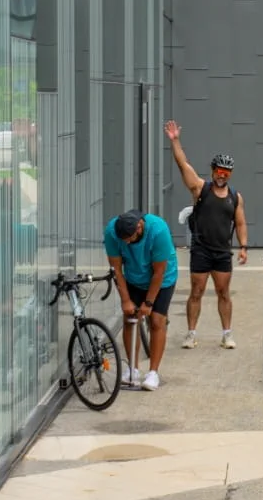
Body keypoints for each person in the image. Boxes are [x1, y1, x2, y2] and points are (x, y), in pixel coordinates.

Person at [164, 119, 248, 350]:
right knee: (196, 292)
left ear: (230, 174)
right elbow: (183, 165)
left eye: (226, 172)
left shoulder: (235, 197)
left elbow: (240, 223)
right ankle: (191, 334)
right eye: (219, 171)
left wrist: (243, 246)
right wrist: (175, 141)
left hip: (222, 251)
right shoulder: (201, 188)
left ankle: (227, 334)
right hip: (201, 249)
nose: (222, 175)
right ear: (213, 171)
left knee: (223, 293)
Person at [105, 210, 179, 391]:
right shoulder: (111, 232)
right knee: (130, 319)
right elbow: (116, 269)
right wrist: (125, 300)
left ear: (139, 227)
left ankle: (153, 372)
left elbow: (159, 272)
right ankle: (132, 369)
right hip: (134, 277)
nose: (126, 243)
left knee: (156, 321)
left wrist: (148, 303)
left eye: (129, 239)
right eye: (123, 240)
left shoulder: (158, 230)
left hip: (162, 279)